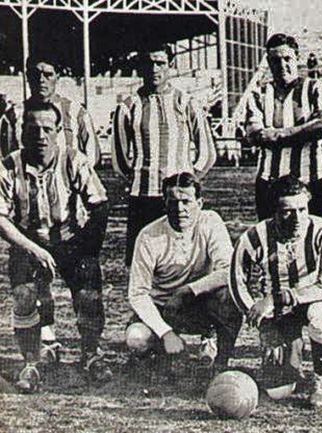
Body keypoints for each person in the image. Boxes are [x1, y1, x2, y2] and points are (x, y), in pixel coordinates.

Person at [0, 102, 111, 392]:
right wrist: (32, 248)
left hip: (70, 239)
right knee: (25, 295)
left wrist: (87, 251)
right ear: (22, 132)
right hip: (29, 242)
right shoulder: (9, 165)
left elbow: (99, 206)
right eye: (33, 128)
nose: (40, 135)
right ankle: (31, 361)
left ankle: (91, 353)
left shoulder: (73, 159)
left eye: (47, 129)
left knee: (88, 291)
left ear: (58, 132)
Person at [229, 175, 322, 408]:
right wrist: (265, 326)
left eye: (302, 209)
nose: (298, 217)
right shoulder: (253, 237)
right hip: (278, 312)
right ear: (274, 211)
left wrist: (276, 297)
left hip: (314, 298)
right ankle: (292, 352)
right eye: (288, 211)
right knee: (278, 391)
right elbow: (237, 283)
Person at [111, 43, 217, 266]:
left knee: (184, 260)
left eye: (160, 63)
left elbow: (207, 152)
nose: (154, 69)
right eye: (148, 63)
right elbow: (120, 160)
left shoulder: (186, 102)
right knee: (143, 262)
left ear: (170, 65)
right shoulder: (128, 106)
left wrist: (188, 181)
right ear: (140, 67)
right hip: (143, 198)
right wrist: (140, 178)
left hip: (180, 199)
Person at [125, 172, 242, 371]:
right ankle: (157, 356)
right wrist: (165, 333)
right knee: (137, 338)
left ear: (200, 202)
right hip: (163, 306)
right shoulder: (148, 236)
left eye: (186, 201)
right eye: (173, 202)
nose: (180, 209)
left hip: (199, 302)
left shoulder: (211, 222)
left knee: (229, 298)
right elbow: (137, 293)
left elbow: (228, 270)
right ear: (164, 203)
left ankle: (220, 362)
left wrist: (187, 290)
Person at [245, 34, 322, 221]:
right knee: (271, 240)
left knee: (318, 235)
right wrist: (306, 130)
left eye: (287, 58)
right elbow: (255, 134)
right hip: (269, 180)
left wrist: (283, 133)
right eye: (275, 60)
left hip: (310, 179)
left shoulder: (314, 87)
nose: (281, 65)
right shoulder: (259, 93)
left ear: (297, 58)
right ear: (269, 63)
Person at [0, 54, 100, 165]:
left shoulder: (76, 112)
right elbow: (8, 158)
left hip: (66, 180)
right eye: (35, 74)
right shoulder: (13, 115)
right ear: (28, 77)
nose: (41, 80)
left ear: (57, 77)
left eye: (48, 75)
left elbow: (92, 157)